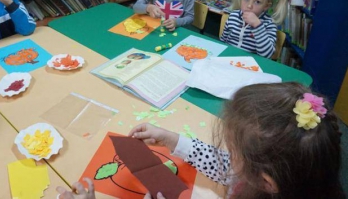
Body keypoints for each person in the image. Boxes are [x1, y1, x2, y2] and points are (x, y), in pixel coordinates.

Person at [56, 82, 344, 199]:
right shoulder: (289, 177)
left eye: (233, 150)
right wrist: (172, 139)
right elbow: (226, 167)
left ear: (267, 183)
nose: (226, 156)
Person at [220, 0, 288, 58]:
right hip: (228, 60)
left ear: (266, 6)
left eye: (257, 2)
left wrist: (257, 26)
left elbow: (267, 55)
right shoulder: (233, 16)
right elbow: (223, 42)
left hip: (252, 65)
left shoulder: (269, 24)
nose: (249, 6)